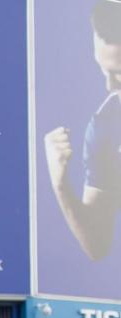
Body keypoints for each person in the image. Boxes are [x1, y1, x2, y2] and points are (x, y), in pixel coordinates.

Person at [45, 0, 121, 261]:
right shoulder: (107, 125)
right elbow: (97, 244)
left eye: (119, 74)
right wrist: (60, 183)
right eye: (103, 70)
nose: (110, 86)